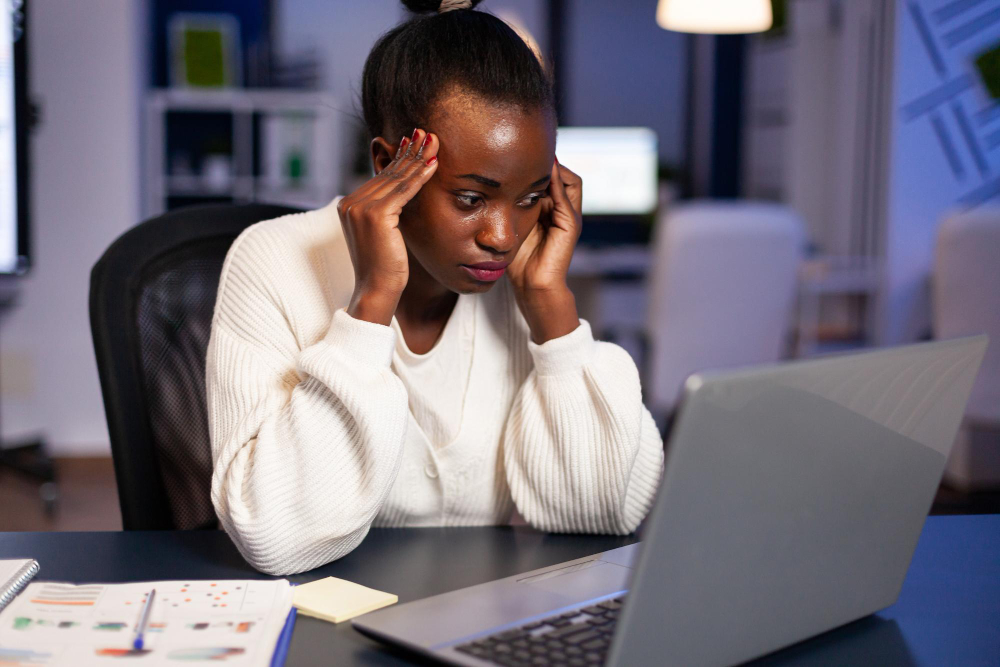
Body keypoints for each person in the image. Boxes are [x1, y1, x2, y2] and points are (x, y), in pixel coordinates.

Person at [206, 0, 664, 576]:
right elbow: (275, 538)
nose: (503, 236)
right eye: (471, 199)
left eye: (528, 197)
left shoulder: (528, 273)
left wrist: (552, 313)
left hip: (491, 622)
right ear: (388, 165)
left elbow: (604, 511)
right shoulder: (272, 260)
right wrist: (372, 304)